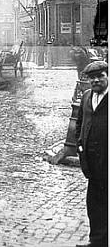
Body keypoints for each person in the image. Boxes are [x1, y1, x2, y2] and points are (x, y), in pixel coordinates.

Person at [75, 60, 108, 247]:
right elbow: (80, 123)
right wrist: (80, 145)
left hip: (107, 160)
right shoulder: (87, 96)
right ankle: (96, 241)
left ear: (107, 76)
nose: (96, 81)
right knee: (94, 205)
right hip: (91, 162)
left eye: (100, 77)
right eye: (92, 78)